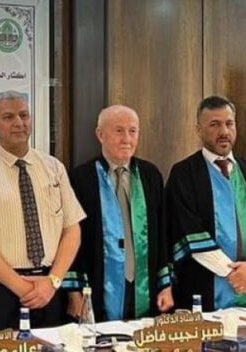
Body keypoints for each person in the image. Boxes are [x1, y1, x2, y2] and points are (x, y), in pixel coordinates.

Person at [0, 91, 84, 330]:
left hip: (49, 287)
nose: (18, 122)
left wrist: (53, 281)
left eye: (24, 115)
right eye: (8, 117)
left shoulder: (54, 168)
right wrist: (21, 287)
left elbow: (72, 229)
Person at [165, 96, 246, 311]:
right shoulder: (184, 174)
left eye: (229, 123)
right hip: (202, 286)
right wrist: (232, 273)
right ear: (199, 129)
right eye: (214, 124)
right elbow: (186, 230)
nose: (224, 131)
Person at [69, 105, 173, 320]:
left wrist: (166, 284)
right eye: (119, 131)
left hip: (145, 284)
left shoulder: (150, 175)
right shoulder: (81, 179)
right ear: (100, 134)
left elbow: (163, 233)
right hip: (97, 283)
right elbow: (71, 239)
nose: (127, 139)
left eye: (132, 131)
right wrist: (73, 292)